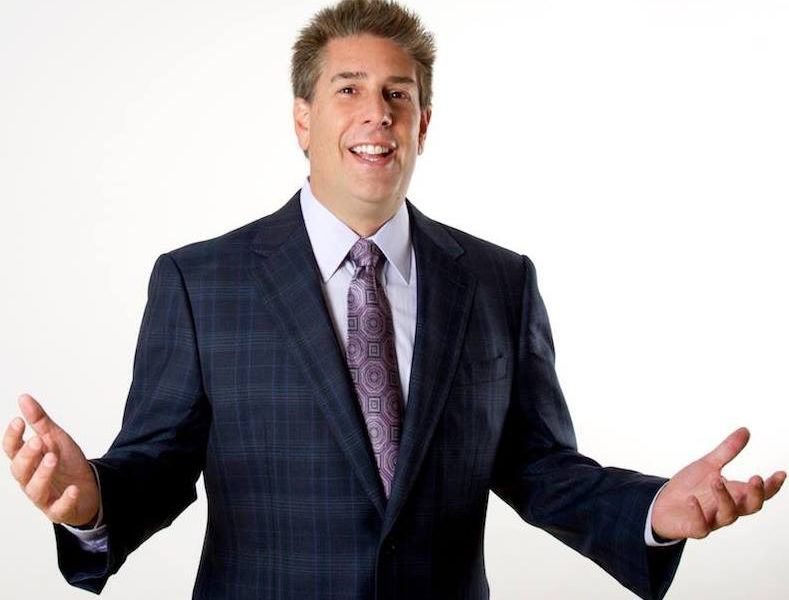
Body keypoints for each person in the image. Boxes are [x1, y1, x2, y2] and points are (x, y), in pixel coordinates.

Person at [4, 1, 785, 599]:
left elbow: (539, 467)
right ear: (303, 119)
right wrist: (89, 501)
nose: (376, 112)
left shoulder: (498, 282)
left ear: (422, 123)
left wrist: (652, 512)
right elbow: (159, 466)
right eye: (348, 89)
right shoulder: (201, 282)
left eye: (397, 94)